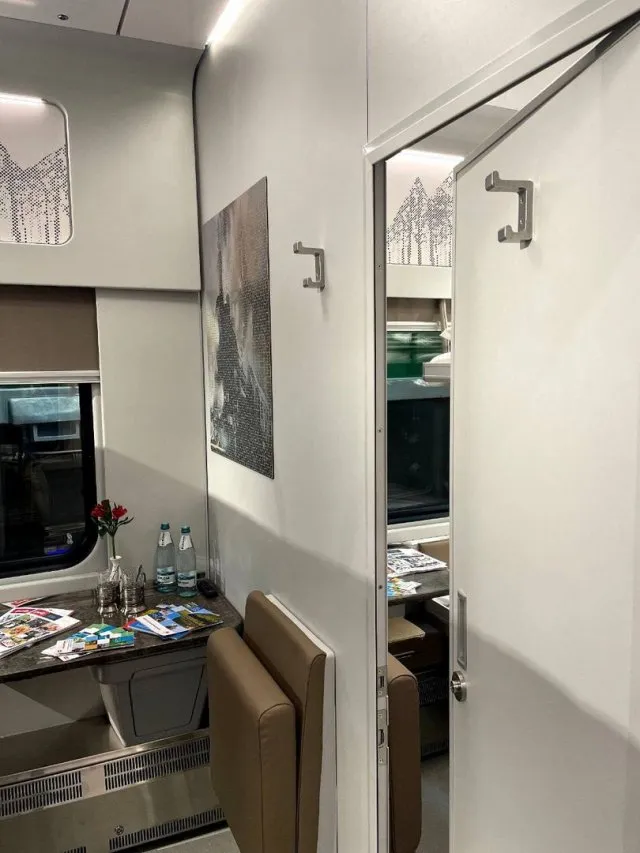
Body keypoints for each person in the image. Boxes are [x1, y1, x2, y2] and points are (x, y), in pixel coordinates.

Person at [0, 423, 49, 560]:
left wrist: (33, 483)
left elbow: (45, 513)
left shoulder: (32, 469)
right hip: (10, 532)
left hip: (30, 531)